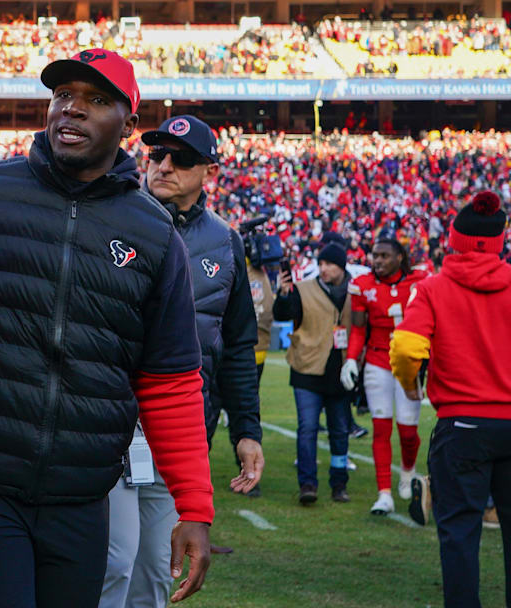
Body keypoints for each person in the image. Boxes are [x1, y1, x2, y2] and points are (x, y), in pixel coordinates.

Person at [0, 49, 213, 608]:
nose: (72, 110)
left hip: (82, 499)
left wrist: (193, 506)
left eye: (96, 100)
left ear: (128, 125)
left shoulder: (154, 234)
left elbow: (170, 381)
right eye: (63, 96)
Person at [98, 115, 262, 608]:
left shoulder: (227, 243)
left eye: (182, 158)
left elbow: (236, 345)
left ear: (208, 170)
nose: (165, 166)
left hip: (181, 429)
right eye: (157, 154)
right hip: (112, 421)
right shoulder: (114, 217)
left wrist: (247, 430)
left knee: (155, 571)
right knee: (114, 562)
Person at [390, 191, 511, 608]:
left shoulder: (434, 288)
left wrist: (409, 385)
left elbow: (406, 347)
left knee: (460, 536)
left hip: (461, 425)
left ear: (454, 240)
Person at [340, 233, 427, 516]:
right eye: (374, 256)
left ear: (399, 257)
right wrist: (352, 359)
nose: (377, 261)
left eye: (383, 256)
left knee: (408, 429)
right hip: (378, 359)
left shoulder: (419, 281)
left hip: (408, 363)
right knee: (381, 427)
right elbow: (359, 329)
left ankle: (407, 472)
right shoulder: (363, 285)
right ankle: (384, 493)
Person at [273, 242, 353, 505]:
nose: (324, 268)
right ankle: (307, 482)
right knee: (307, 428)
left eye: (329, 263)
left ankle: (339, 482)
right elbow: (283, 314)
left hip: (341, 372)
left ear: (341, 265)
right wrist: (284, 295)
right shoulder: (303, 289)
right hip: (307, 368)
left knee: (340, 430)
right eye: (321, 263)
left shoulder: (356, 290)